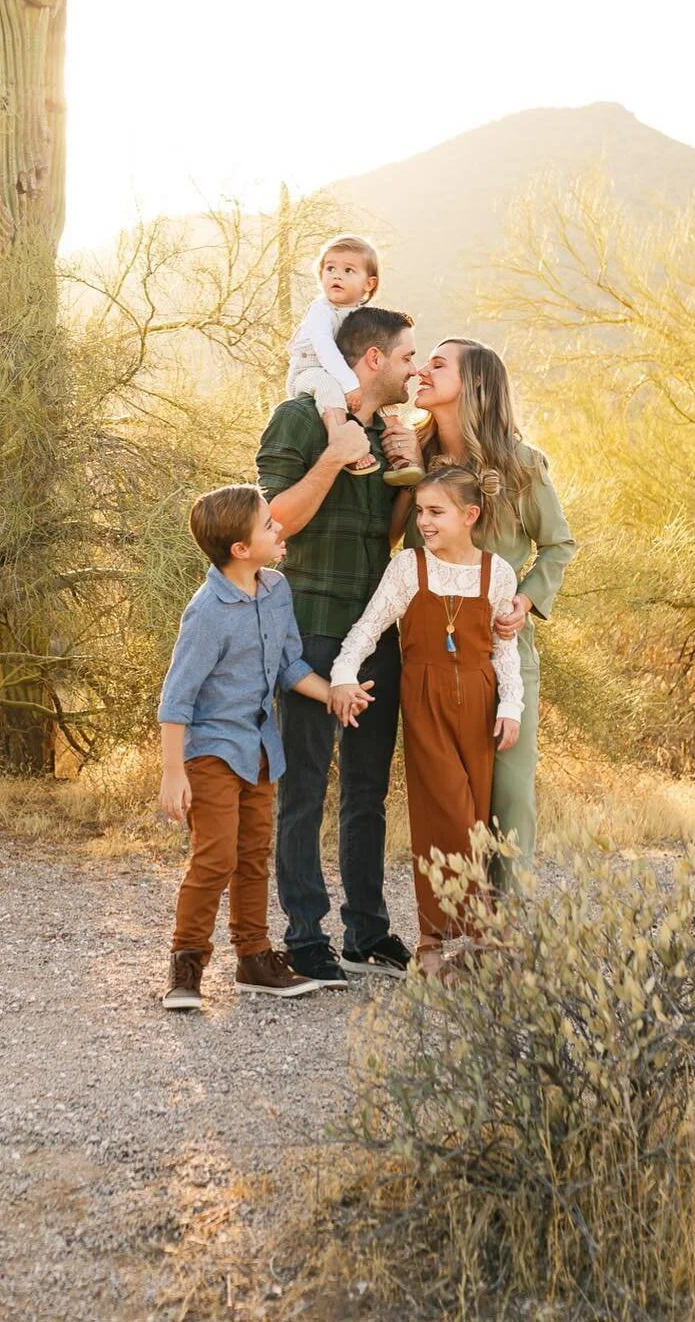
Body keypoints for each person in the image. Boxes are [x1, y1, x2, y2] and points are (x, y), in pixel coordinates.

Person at [258, 305, 423, 985]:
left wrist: (409, 476)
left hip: (372, 632)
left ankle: (367, 932)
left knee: (366, 787)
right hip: (309, 628)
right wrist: (333, 456)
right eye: (408, 355)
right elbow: (275, 520)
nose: (415, 367)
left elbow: (388, 534)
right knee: (302, 786)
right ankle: (303, 935)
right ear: (373, 359)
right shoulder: (299, 418)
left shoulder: (393, 431)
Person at [158, 484, 356, 1011]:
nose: (280, 529)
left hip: (262, 749)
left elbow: (291, 667)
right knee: (215, 857)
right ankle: (187, 961)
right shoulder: (207, 611)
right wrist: (173, 773)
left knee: (252, 859)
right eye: (269, 525)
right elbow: (177, 696)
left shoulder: (276, 590)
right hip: (212, 751)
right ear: (241, 550)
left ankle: (253, 957)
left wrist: (334, 692)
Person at [329, 465, 524, 972]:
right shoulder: (408, 568)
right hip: (426, 703)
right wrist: (343, 673)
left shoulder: (497, 572)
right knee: (446, 811)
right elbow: (368, 628)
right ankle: (448, 935)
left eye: (436, 512)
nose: (424, 523)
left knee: (475, 816)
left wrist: (510, 706)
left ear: (470, 515)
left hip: (481, 705)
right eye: (419, 513)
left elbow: (506, 649)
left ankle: (456, 943)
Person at [408, 339, 577, 871]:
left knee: (508, 799)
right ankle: (454, 935)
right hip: (430, 658)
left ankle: (511, 940)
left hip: (504, 652)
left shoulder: (522, 466)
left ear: (476, 385)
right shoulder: (414, 455)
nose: (421, 370)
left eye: (438, 364)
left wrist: (526, 600)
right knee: (450, 800)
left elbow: (558, 545)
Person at [286, 233, 423, 487]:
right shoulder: (320, 310)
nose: (336, 276)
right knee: (328, 389)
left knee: (386, 400)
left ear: (369, 284)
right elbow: (325, 348)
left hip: (343, 373)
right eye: (330, 269)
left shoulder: (361, 315)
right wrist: (350, 383)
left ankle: (398, 457)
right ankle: (343, 444)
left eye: (349, 270)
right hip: (310, 370)